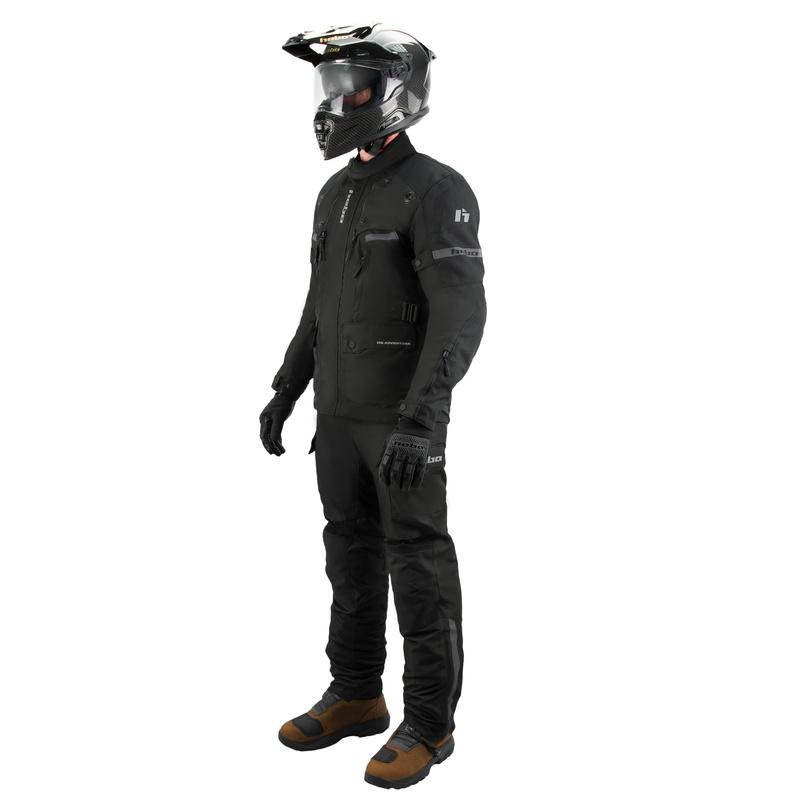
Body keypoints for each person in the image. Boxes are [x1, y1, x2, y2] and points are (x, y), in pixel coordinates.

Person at [260, 24, 487, 790]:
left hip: (399, 426)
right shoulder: (335, 193)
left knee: (417, 566)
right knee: (349, 559)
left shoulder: (437, 189)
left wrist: (422, 420)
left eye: (349, 86)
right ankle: (356, 691)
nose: (332, 102)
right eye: (327, 86)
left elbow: (460, 312)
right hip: (337, 418)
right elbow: (319, 305)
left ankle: (429, 723)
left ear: (395, 92)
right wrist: (287, 388)